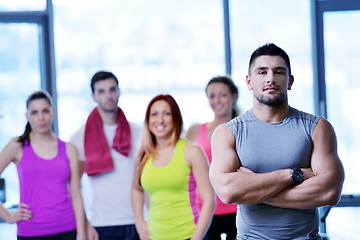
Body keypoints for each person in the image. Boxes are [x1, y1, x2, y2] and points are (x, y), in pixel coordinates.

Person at [209, 43, 345, 240]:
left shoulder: (317, 128)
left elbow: (329, 192)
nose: (270, 78)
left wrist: (253, 190)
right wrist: (292, 175)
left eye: (279, 72)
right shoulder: (228, 133)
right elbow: (228, 191)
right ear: (249, 81)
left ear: (290, 81)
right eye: (262, 72)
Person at [0, 90, 87, 240]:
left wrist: (83, 235)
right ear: (27, 116)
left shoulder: (69, 149)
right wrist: (9, 216)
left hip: (66, 229)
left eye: (45, 111)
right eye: (34, 112)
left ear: (53, 112)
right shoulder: (17, 146)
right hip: (30, 232)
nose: (41, 117)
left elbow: (76, 194)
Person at [131, 94, 215, 240]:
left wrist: (197, 237)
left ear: (175, 117)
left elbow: (209, 199)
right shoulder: (143, 155)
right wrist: (139, 221)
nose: (160, 120)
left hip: (188, 235)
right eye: (154, 114)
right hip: (154, 236)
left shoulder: (192, 151)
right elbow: (136, 188)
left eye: (166, 113)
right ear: (148, 120)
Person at [70, 71, 141, 240]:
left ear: (119, 92)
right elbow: (74, 187)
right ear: (93, 96)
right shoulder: (79, 137)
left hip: (137, 221)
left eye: (112, 90)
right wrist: (85, 224)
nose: (108, 96)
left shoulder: (138, 133)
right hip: (101, 224)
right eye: (101, 91)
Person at [186, 76, 239, 240]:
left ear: (234, 96)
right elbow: (186, 171)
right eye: (212, 95)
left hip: (238, 209)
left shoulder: (244, 128)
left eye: (223, 94)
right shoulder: (195, 131)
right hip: (204, 211)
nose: (217, 100)